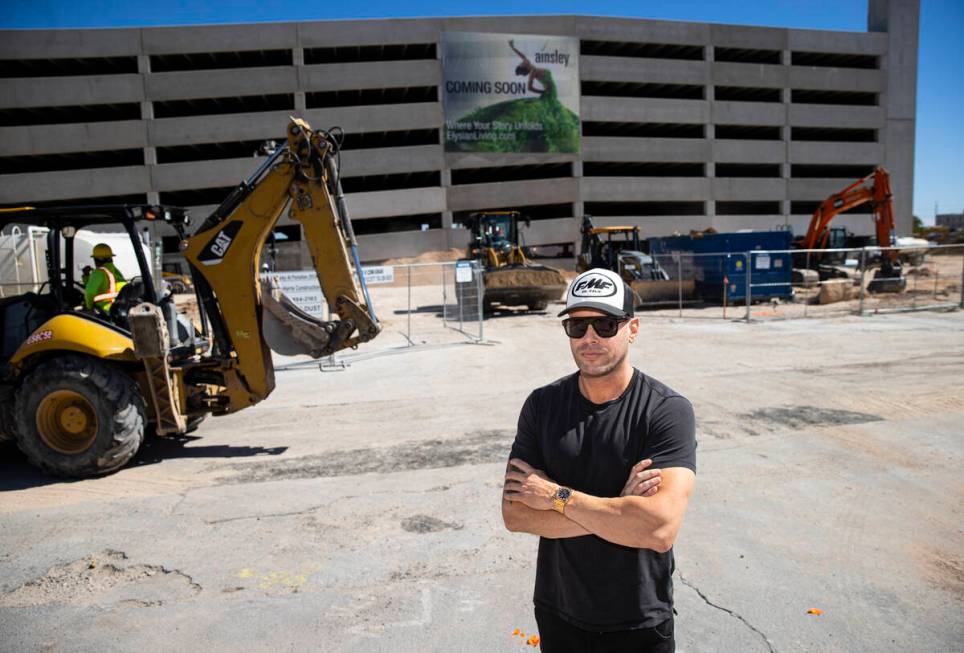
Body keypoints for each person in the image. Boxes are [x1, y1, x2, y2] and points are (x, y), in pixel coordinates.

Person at [502, 268, 697, 653]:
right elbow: (515, 515)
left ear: (633, 328)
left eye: (605, 325)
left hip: (639, 621)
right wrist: (622, 513)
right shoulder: (542, 405)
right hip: (559, 615)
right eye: (577, 326)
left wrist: (557, 497)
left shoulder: (667, 411)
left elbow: (658, 531)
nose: (590, 339)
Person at [84, 243, 127, 314]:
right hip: (116, 306)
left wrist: (89, 307)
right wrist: (86, 276)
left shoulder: (98, 272)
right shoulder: (114, 270)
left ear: (98, 259)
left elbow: (90, 292)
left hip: (104, 309)